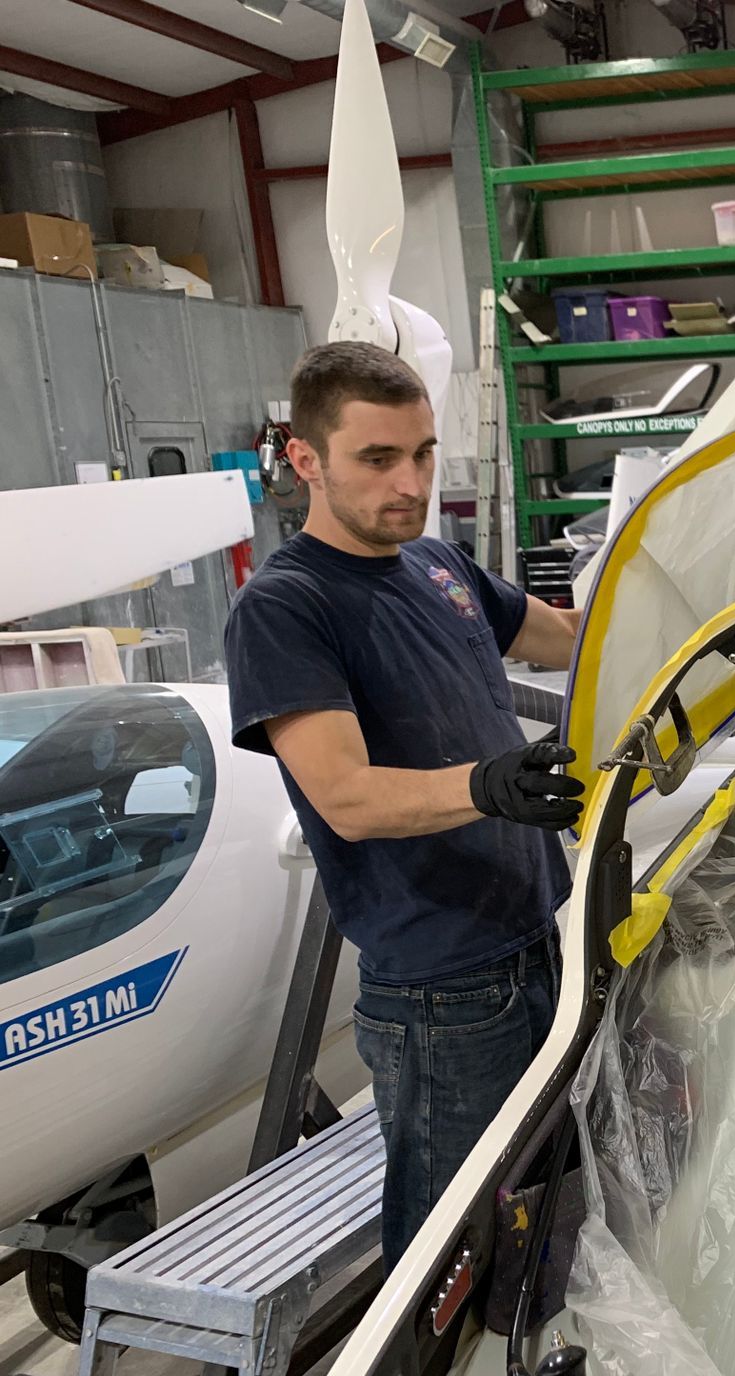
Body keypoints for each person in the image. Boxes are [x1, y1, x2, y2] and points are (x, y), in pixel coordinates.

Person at [224, 341, 586, 1269]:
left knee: (546, 1214)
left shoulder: (436, 566)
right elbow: (344, 796)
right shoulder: (286, 606)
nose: (410, 482)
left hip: (539, 944)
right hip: (441, 990)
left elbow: (570, 638)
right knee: (444, 1255)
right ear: (306, 460)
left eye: (423, 454)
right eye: (378, 460)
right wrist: (486, 784)